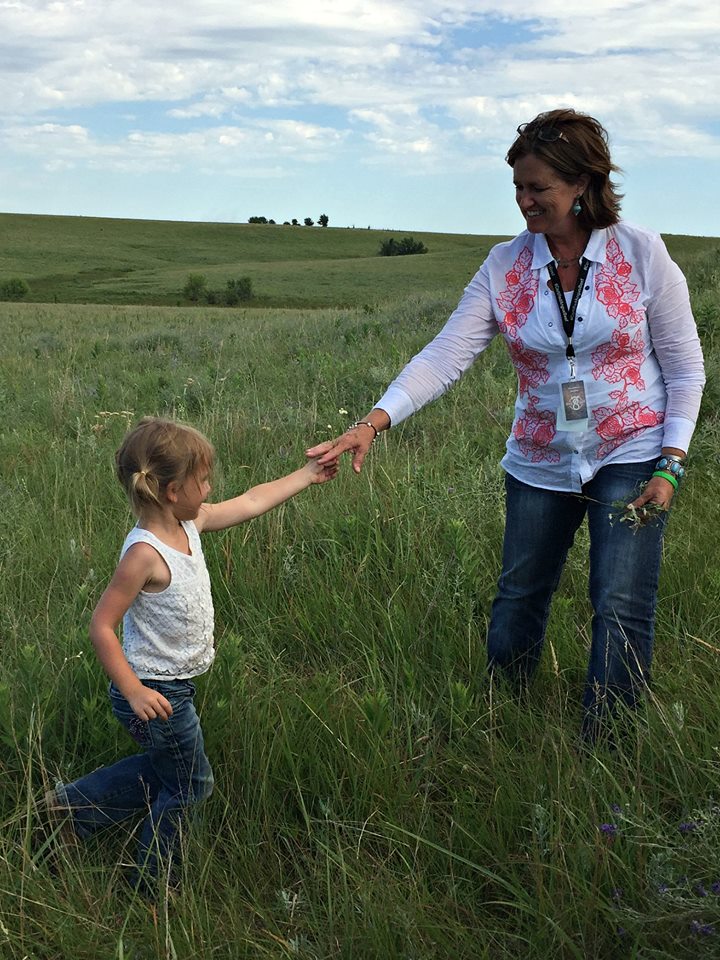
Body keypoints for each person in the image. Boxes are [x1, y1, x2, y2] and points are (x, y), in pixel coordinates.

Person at [307, 108, 705, 741]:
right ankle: (504, 720)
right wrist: (373, 421)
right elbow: (446, 354)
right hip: (541, 457)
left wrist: (671, 462)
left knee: (621, 603)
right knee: (520, 594)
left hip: (632, 448)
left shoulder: (640, 253)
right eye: (517, 187)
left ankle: (607, 743)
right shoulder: (505, 266)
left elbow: (686, 369)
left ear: (582, 183)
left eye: (537, 187)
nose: (524, 201)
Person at [45, 416, 336, 890]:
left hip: (171, 687)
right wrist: (134, 690)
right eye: (202, 479)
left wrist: (306, 475)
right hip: (155, 693)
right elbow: (101, 625)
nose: (210, 486)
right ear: (171, 490)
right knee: (189, 786)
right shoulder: (144, 555)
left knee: (168, 768)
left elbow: (252, 501)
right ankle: (153, 885)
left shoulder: (190, 522)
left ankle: (70, 809)